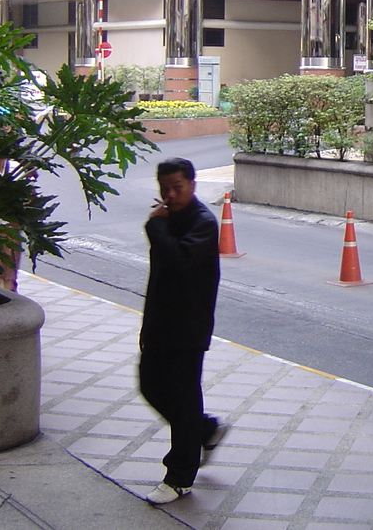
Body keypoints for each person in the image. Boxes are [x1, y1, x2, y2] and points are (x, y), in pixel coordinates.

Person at [139, 157, 229, 505]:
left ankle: (179, 477)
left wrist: (155, 228)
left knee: (184, 397)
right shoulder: (168, 218)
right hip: (162, 323)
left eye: (178, 187)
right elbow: (159, 278)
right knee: (150, 385)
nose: (171, 195)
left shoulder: (203, 222)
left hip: (188, 326)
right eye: (165, 189)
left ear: (192, 185)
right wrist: (147, 323)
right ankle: (203, 429)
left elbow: (178, 262)